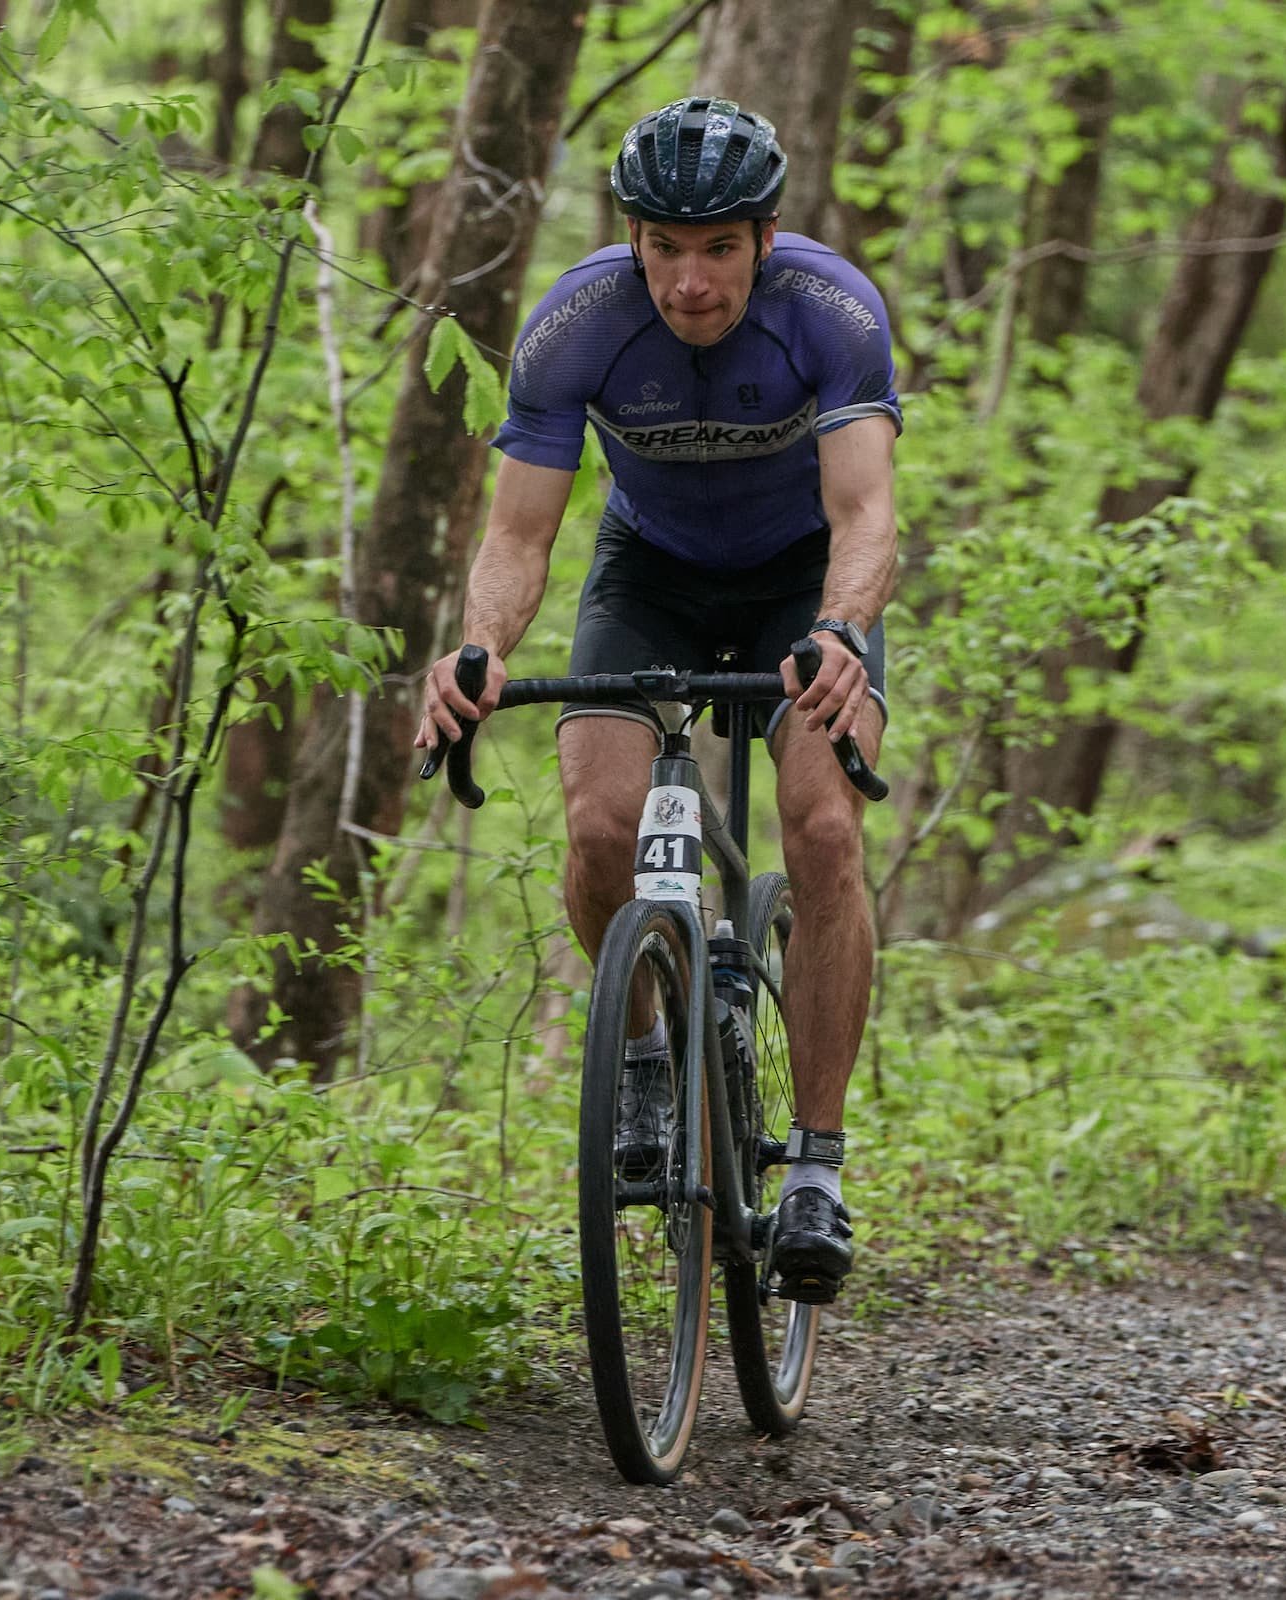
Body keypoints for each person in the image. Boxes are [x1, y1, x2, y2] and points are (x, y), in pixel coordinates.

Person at [412, 97, 901, 1304]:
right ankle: (641, 1056)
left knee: (825, 826)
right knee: (594, 825)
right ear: (630, 238)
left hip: (802, 576)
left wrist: (838, 628)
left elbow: (865, 512)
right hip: (650, 574)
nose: (690, 282)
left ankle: (817, 1170)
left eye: (719, 249)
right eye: (665, 248)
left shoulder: (829, 312)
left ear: (766, 237)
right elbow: (519, 533)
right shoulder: (575, 326)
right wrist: (477, 648)